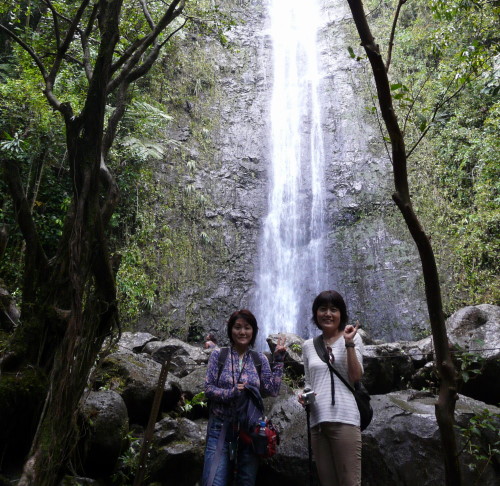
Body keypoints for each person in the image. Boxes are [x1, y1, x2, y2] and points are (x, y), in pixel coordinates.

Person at [201, 309, 286, 486]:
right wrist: (231, 393)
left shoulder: (259, 359)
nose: (242, 332)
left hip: (249, 430)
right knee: (214, 481)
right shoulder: (219, 355)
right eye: (237, 327)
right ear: (230, 330)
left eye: (247, 327)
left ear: (253, 331)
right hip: (221, 428)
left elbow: (272, 390)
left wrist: (278, 361)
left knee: (246, 482)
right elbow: (208, 389)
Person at [298, 290, 364, 486]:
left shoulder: (352, 338)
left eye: (333, 309)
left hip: (344, 419)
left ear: (341, 314)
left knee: (350, 482)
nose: (328, 314)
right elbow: (309, 382)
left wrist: (349, 343)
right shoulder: (308, 346)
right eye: (323, 309)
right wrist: (304, 395)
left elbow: (356, 376)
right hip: (317, 422)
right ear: (315, 313)